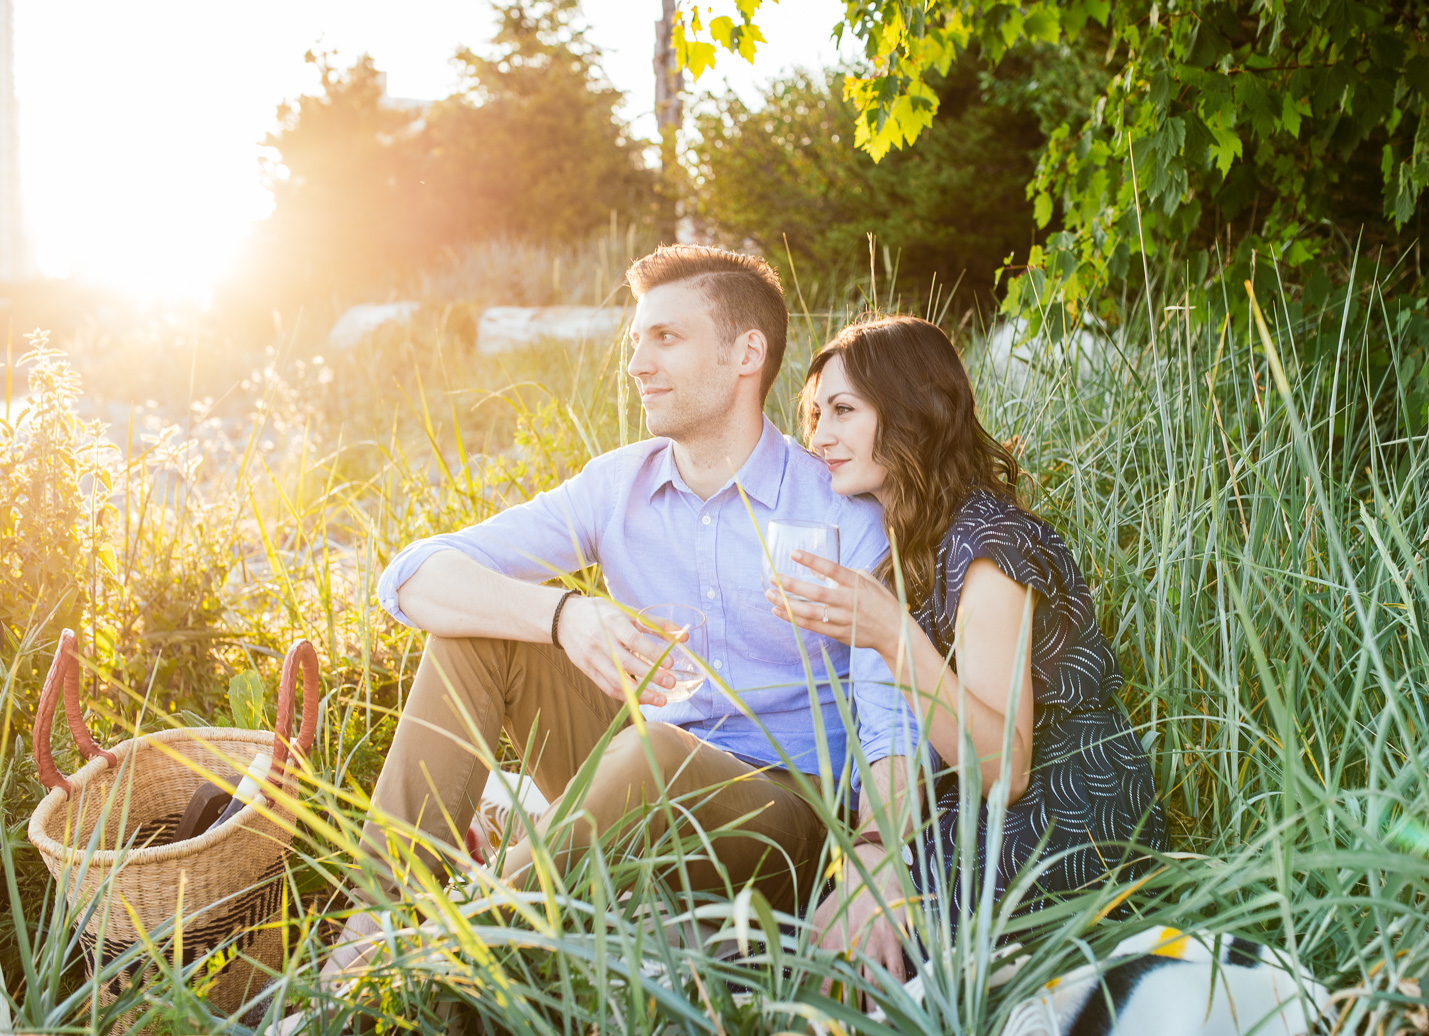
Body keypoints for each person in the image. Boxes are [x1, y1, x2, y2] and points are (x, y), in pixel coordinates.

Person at [325, 247, 918, 977]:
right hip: (636, 770)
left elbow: (892, 711)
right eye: (636, 340)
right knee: (478, 636)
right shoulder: (616, 487)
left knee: (655, 752)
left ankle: (450, 957)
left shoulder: (838, 509)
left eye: (666, 338)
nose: (637, 363)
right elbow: (411, 578)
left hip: (783, 815)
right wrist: (565, 616)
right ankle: (373, 924)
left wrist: (876, 857)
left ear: (746, 355)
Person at [767, 315, 1166, 978]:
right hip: (973, 801)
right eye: (814, 415)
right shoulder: (907, 541)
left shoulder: (988, 547)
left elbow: (1004, 767)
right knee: (828, 902)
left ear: (912, 410)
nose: (819, 437)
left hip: (1069, 806)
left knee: (872, 933)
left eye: (842, 411)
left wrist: (891, 635)